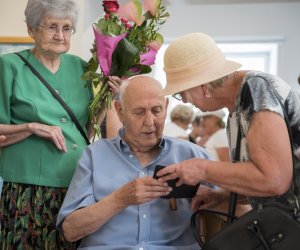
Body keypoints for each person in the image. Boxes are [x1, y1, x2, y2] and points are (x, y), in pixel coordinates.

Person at [0, 0, 121, 248]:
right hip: (27, 188)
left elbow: (86, 131)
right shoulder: (9, 66)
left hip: (75, 183)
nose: (60, 35)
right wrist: (31, 127)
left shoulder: (81, 68)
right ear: (32, 30)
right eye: (52, 26)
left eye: (67, 28)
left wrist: (107, 99)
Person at [56, 75, 212, 249]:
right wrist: (119, 199)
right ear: (120, 110)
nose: (149, 122)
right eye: (139, 112)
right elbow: (70, 230)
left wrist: (214, 196)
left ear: (166, 107)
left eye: (156, 110)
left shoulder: (192, 155)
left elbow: (233, 207)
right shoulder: (95, 156)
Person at [157, 32, 300, 214]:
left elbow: (274, 180)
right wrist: (223, 195)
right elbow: (262, 184)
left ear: (203, 86)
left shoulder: (257, 89)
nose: (184, 101)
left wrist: (202, 169)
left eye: (181, 92)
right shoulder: (235, 109)